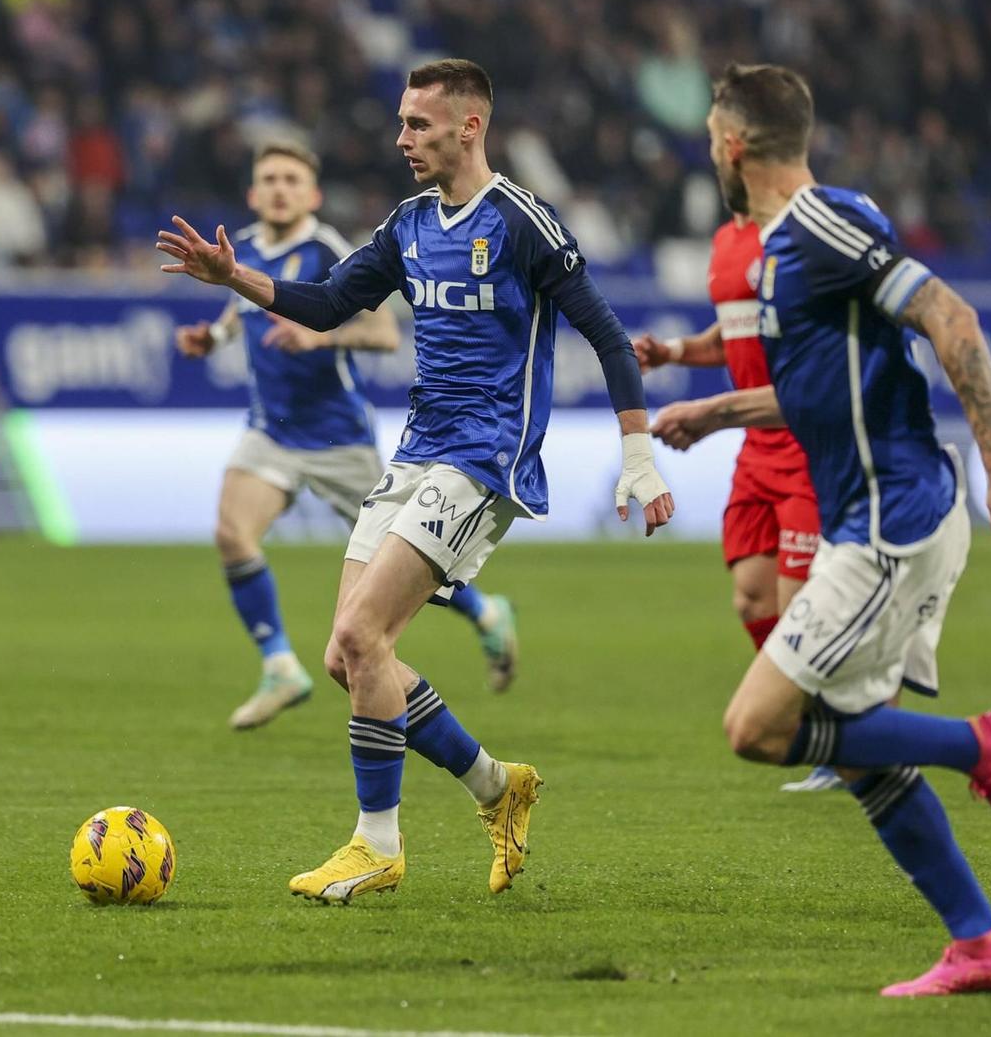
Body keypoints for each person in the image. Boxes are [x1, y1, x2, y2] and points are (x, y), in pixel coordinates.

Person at [158, 59, 674, 903]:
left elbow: (609, 336)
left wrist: (639, 454)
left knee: (364, 637)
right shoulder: (408, 224)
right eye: (401, 123)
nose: (402, 139)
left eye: (419, 125)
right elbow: (327, 304)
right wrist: (235, 280)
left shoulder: (521, 222)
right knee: (346, 656)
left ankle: (377, 844)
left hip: (484, 459)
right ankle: (497, 786)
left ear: (470, 126)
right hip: (416, 454)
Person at [649, 64, 991, 996]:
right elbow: (823, 386)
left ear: (732, 144)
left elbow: (948, 315)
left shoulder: (817, 225)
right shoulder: (785, 245)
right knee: (855, 737)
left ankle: (984, 743)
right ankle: (982, 943)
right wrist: (717, 411)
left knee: (758, 727)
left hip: (891, 524)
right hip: (869, 518)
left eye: (712, 132)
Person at [174, 143, 522, 731]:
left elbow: (385, 334)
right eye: (269, 179)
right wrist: (213, 338)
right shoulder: (244, 249)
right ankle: (281, 665)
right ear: (254, 194)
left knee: (403, 562)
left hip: (340, 441)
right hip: (271, 432)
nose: (280, 188)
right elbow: (242, 311)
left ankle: (486, 612)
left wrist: (321, 339)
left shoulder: (329, 249)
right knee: (232, 534)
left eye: (292, 178)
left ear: (311, 194)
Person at [632, 211, 840, 794]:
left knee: (802, 607)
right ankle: (831, 721)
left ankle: (850, 734)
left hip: (805, 442)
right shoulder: (727, 240)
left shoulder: (798, 228)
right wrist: (672, 351)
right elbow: (734, 334)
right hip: (757, 449)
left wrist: (714, 414)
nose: (717, 150)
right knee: (753, 598)